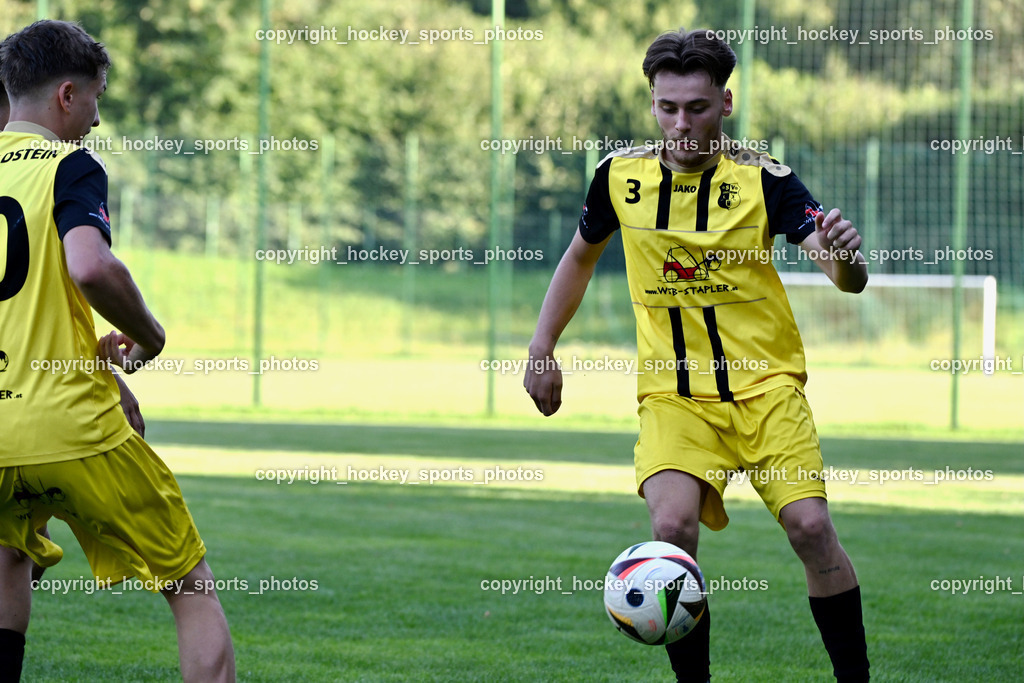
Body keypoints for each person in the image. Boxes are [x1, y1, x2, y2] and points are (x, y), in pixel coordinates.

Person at [525, 28, 869, 682]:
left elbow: (843, 277)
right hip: (675, 396)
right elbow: (579, 258)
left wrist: (847, 255)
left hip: (767, 390)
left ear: (726, 104)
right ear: (653, 103)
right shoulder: (618, 176)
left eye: (697, 107)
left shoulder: (765, 180)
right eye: (667, 107)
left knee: (810, 528)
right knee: (673, 528)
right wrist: (542, 346)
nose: (681, 123)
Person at [0, 20, 235, 681]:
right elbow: (90, 266)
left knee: (7, 558)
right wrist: (151, 337)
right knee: (189, 585)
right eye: (96, 98)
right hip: (70, 426)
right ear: (67, 95)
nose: (97, 119)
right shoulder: (69, 166)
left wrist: (101, 366)